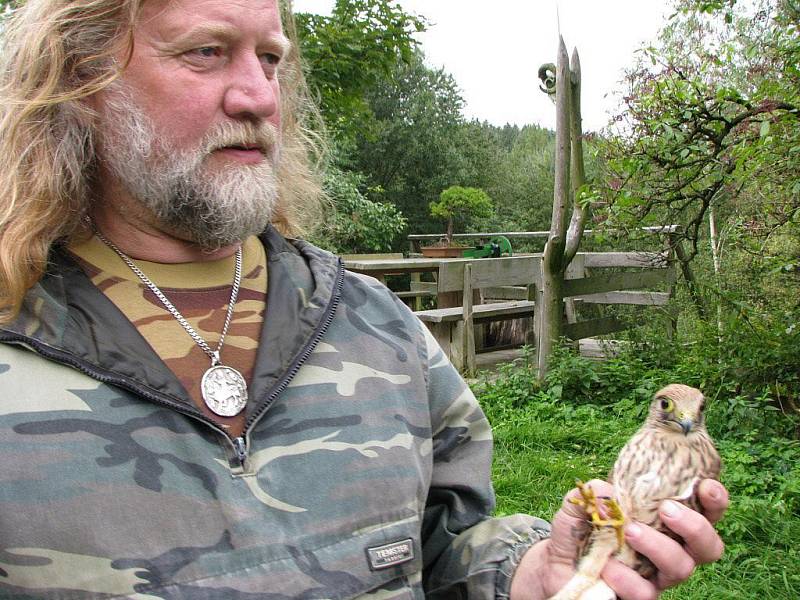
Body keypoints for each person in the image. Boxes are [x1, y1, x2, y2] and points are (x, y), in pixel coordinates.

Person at [0, 0, 728, 598]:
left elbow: (445, 554)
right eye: (206, 52)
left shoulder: (375, 324)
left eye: (272, 59)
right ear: (83, 78)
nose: (258, 95)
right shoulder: (18, 329)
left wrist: (529, 577)